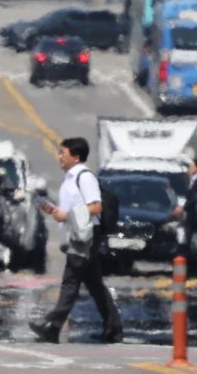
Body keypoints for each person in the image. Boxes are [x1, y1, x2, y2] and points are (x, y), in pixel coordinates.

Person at [29, 138, 123, 344]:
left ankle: (52, 326)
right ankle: (114, 328)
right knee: (94, 284)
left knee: (71, 280)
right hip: (77, 234)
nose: (60, 156)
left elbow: (96, 206)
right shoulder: (69, 179)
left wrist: (67, 215)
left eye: (63, 153)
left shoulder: (85, 177)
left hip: (87, 235)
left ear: (76, 156)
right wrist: (55, 211)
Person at [173, 158, 197, 258]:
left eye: (191, 167)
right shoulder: (194, 180)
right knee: (189, 236)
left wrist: (183, 208)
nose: (189, 169)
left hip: (196, 215)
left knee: (191, 237)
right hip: (193, 214)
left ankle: (184, 258)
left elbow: (195, 198)